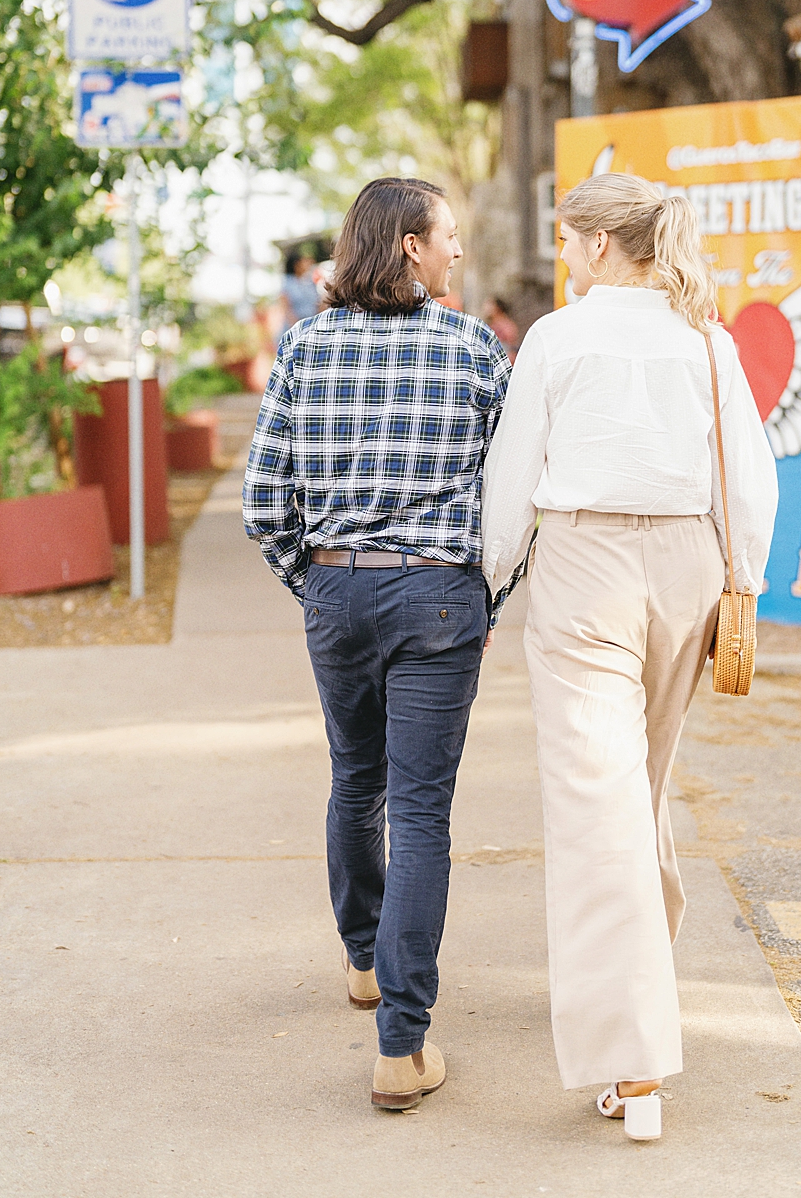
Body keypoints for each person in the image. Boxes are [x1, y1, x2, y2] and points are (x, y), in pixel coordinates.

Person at [481, 173, 777, 1140]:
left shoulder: (558, 339)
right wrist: (743, 579)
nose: (564, 258)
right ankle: (639, 962)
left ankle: (632, 1062)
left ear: (601, 244)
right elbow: (751, 476)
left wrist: (489, 580)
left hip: (585, 564)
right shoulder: (704, 339)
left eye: (568, 242)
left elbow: (513, 474)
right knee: (634, 790)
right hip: (688, 567)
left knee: (592, 804)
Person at [243, 178, 512, 1111]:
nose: (457, 254)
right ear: (408, 245)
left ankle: (364, 960)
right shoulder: (475, 347)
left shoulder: (304, 346)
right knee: (424, 814)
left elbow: (262, 500)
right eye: (447, 237)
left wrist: (316, 579)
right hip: (440, 598)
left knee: (357, 781)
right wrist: (485, 595)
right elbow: (510, 496)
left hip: (338, 588)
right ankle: (400, 1047)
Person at [280, 249, 321, 335]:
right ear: (297, 264)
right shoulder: (288, 283)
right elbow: (287, 309)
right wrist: (298, 330)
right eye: (304, 261)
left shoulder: (309, 282)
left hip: (310, 329)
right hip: (295, 330)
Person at [482, 295, 520, 360]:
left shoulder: (506, 325)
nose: (486, 308)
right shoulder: (489, 325)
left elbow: (511, 345)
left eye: (490, 305)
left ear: (497, 308)